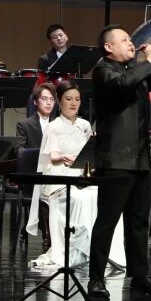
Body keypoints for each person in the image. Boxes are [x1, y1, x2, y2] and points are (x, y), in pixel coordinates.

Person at [87, 25, 151, 300]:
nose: (131, 43)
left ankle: (140, 277)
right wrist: (146, 62)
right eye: (125, 39)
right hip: (115, 159)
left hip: (139, 157)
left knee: (138, 222)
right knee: (107, 221)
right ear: (108, 47)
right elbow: (122, 86)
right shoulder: (103, 71)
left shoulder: (134, 72)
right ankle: (96, 279)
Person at [26, 81, 125, 271]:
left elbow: (90, 153)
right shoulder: (53, 126)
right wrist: (63, 157)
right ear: (59, 101)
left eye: (77, 99)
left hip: (81, 177)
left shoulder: (84, 125)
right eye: (68, 99)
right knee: (80, 199)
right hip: (59, 178)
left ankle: (106, 251)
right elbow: (52, 156)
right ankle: (79, 250)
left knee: (108, 198)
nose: (73, 103)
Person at [15, 83, 57, 154]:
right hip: (34, 160)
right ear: (35, 101)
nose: (49, 103)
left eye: (52, 99)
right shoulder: (24, 125)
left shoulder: (58, 123)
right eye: (44, 98)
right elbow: (19, 151)